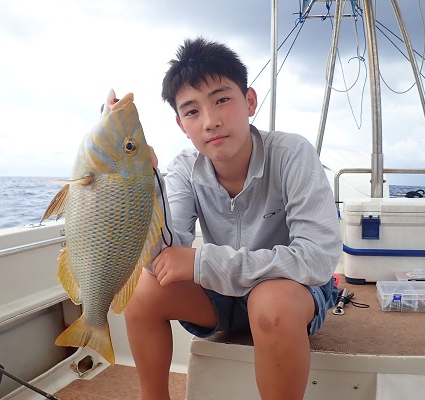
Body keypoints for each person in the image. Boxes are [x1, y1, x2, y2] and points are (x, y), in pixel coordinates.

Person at [124, 37, 342, 400]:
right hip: (221, 296)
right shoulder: (183, 170)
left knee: (270, 301)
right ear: (181, 125)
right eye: (192, 111)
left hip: (289, 297)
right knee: (142, 292)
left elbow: (317, 259)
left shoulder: (292, 154)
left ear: (250, 101)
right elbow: (160, 258)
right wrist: (145, 186)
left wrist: (203, 261)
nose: (210, 121)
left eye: (222, 100)